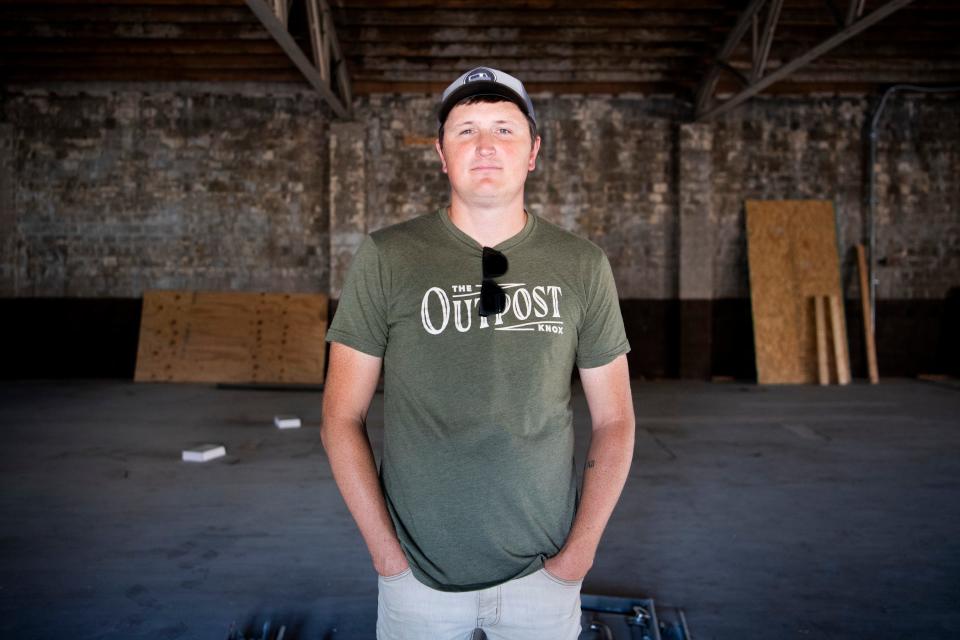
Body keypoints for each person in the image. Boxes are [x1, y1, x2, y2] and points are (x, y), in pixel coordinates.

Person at [321, 66, 635, 640]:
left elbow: (615, 420)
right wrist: (388, 562)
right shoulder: (388, 257)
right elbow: (341, 417)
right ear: (442, 154)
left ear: (533, 151)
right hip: (418, 582)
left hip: (543, 577)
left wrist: (576, 562)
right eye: (465, 130)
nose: (485, 145)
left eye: (504, 129)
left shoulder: (582, 265)